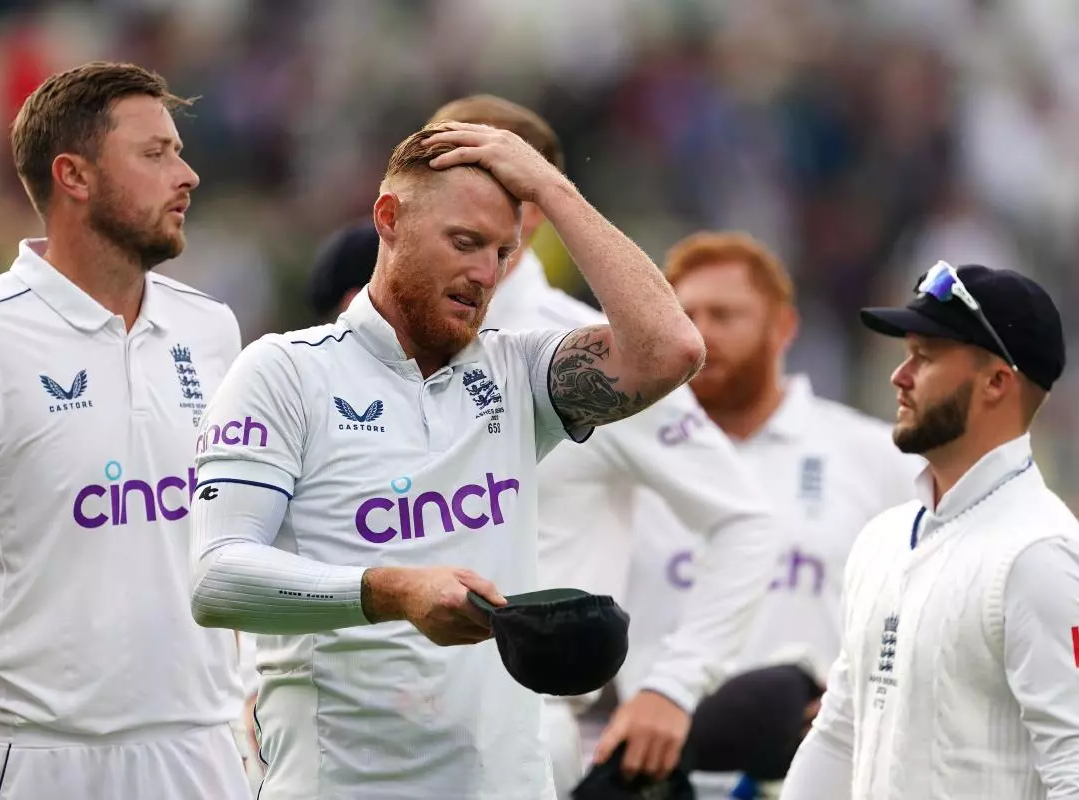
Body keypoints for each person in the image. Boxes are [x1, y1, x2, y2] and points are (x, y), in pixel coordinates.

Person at [188, 120, 706, 799]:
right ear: (389, 219)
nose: (485, 273)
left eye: (503, 251)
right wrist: (393, 592)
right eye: (465, 242)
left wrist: (553, 190)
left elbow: (672, 350)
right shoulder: (285, 371)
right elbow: (217, 579)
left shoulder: (518, 371)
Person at [0, 62, 251, 800]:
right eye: (155, 154)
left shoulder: (212, 328)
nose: (187, 175)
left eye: (178, 152)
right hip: (30, 757)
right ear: (73, 176)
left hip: (200, 753)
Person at [424, 96, 788, 798]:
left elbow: (747, 521)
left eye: (469, 175)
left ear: (530, 211)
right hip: (364, 709)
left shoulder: (598, 356)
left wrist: (674, 686)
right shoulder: (378, 344)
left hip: (510, 728)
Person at [620, 232, 921, 798]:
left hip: (818, 777)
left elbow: (929, 602)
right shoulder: (623, 460)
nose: (700, 333)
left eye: (724, 315)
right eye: (686, 316)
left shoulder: (875, 457)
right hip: (653, 778)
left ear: (783, 327)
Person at [781, 262, 1077, 799]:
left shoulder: (1040, 554)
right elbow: (840, 733)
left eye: (926, 357)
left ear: (996, 383)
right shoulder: (883, 538)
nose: (900, 375)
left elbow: (1072, 765)